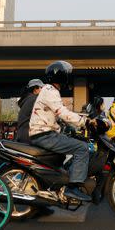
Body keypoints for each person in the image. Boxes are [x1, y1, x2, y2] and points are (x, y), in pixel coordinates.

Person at [29, 61, 93, 203]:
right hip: (44, 135)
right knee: (82, 148)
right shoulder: (50, 91)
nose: (68, 77)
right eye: (66, 74)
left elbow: (58, 117)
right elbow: (62, 112)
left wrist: (74, 130)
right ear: (61, 76)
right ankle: (73, 186)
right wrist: (85, 122)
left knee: (74, 145)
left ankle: (63, 180)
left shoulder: (49, 90)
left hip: (45, 133)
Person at [15, 79, 43, 143]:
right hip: (30, 136)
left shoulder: (27, 99)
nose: (43, 90)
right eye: (41, 88)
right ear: (35, 89)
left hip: (22, 135)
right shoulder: (35, 99)